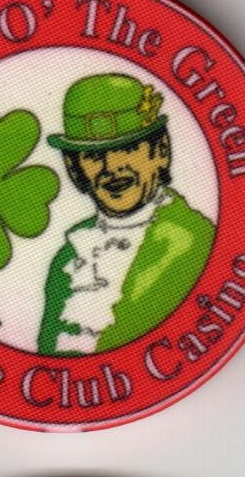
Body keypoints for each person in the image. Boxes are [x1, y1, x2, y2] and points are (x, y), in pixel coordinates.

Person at [38, 73, 215, 355]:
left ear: (161, 151)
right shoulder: (68, 257)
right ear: (74, 169)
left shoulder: (196, 241)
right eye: (93, 156)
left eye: (128, 149)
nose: (112, 167)